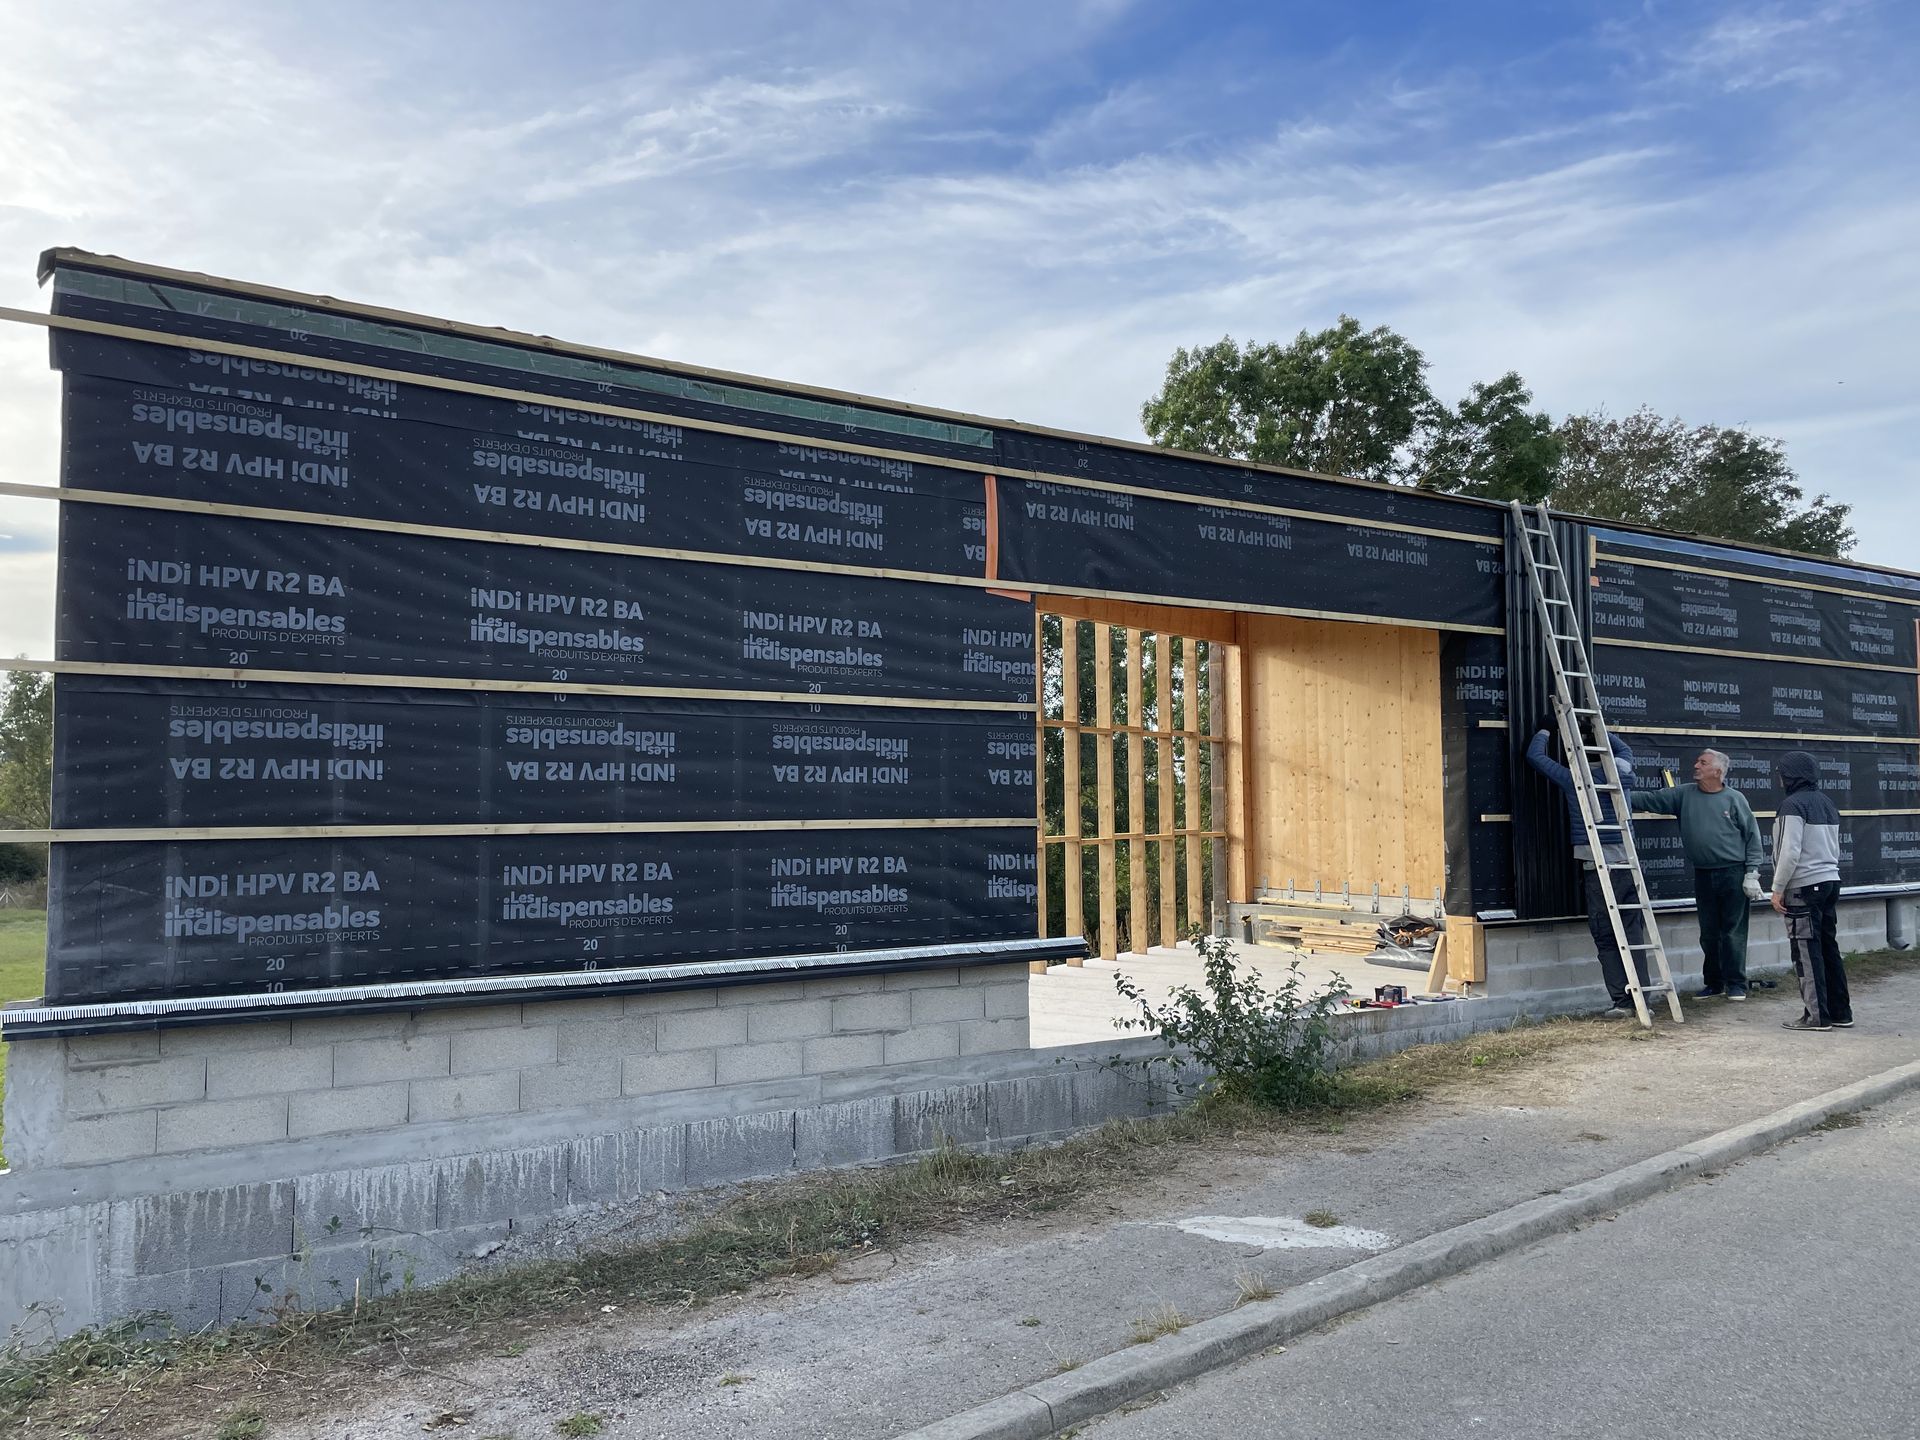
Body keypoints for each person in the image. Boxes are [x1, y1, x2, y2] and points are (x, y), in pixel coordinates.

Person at [1526, 718, 1648, 1017]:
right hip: (1629, 864)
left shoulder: (1575, 779)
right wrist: (1598, 729)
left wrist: (1545, 728)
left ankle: (1622, 1002)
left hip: (1599, 867)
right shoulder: (1623, 772)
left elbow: (1535, 757)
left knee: (1606, 934)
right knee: (1632, 935)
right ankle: (1642, 999)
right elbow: (1624, 749)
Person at [1631, 748, 1765, 1000]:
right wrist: (1616, 792)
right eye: (1697, 761)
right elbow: (1650, 799)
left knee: (1733, 931)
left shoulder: (1735, 799)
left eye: (1702, 763)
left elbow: (1752, 837)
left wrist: (1752, 873)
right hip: (1703, 873)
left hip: (1733, 873)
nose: (1696, 766)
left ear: (1717, 771)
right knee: (1709, 933)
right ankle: (1714, 983)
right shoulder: (1684, 794)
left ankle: (1736, 983)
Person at [1770, 751, 1853, 1031]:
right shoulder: (1827, 803)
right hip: (1830, 881)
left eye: (1782, 773)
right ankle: (1841, 1013)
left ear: (1791, 775)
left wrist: (1777, 888)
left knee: (1806, 950)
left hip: (1803, 885)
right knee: (1829, 947)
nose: (1780, 778)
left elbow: (1788, 851)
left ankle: (1816, 1017)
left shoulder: (1791, 805)